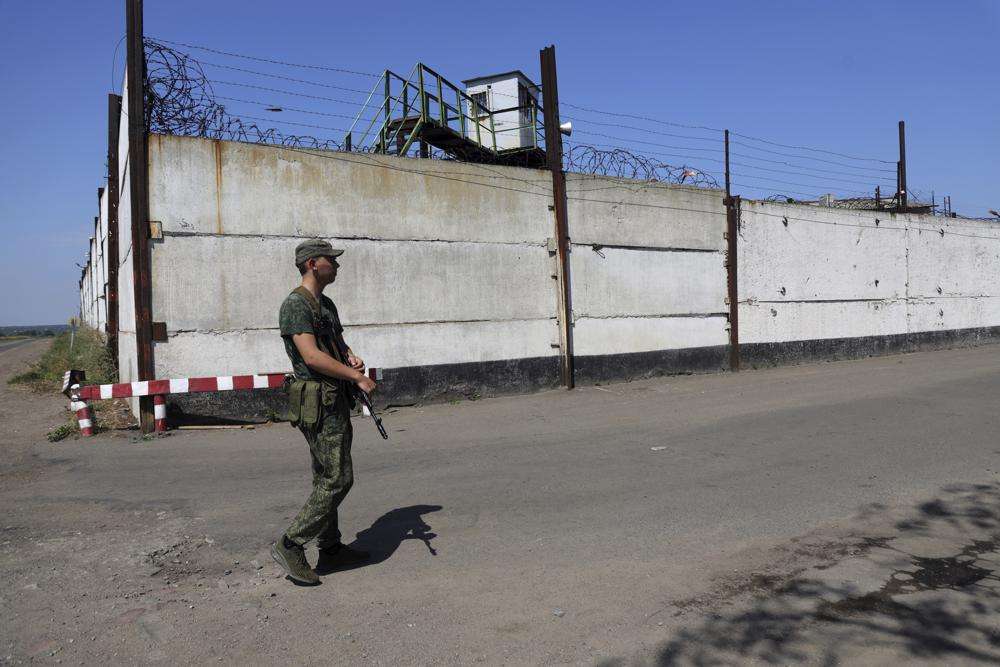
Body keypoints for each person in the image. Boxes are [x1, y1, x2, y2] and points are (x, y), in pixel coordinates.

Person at [270, 239, 377, 585]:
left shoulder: (325, 304)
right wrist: (356, 377)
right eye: (332, 260)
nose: (337, 265)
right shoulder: (295, 305)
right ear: (313, 264)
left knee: (325, 476)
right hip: (317, 402)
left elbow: (335, 345)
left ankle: (330, 548)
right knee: (338, 478)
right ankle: (291, 543)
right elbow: (312, 357)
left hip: (333, 398)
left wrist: (351, 356)